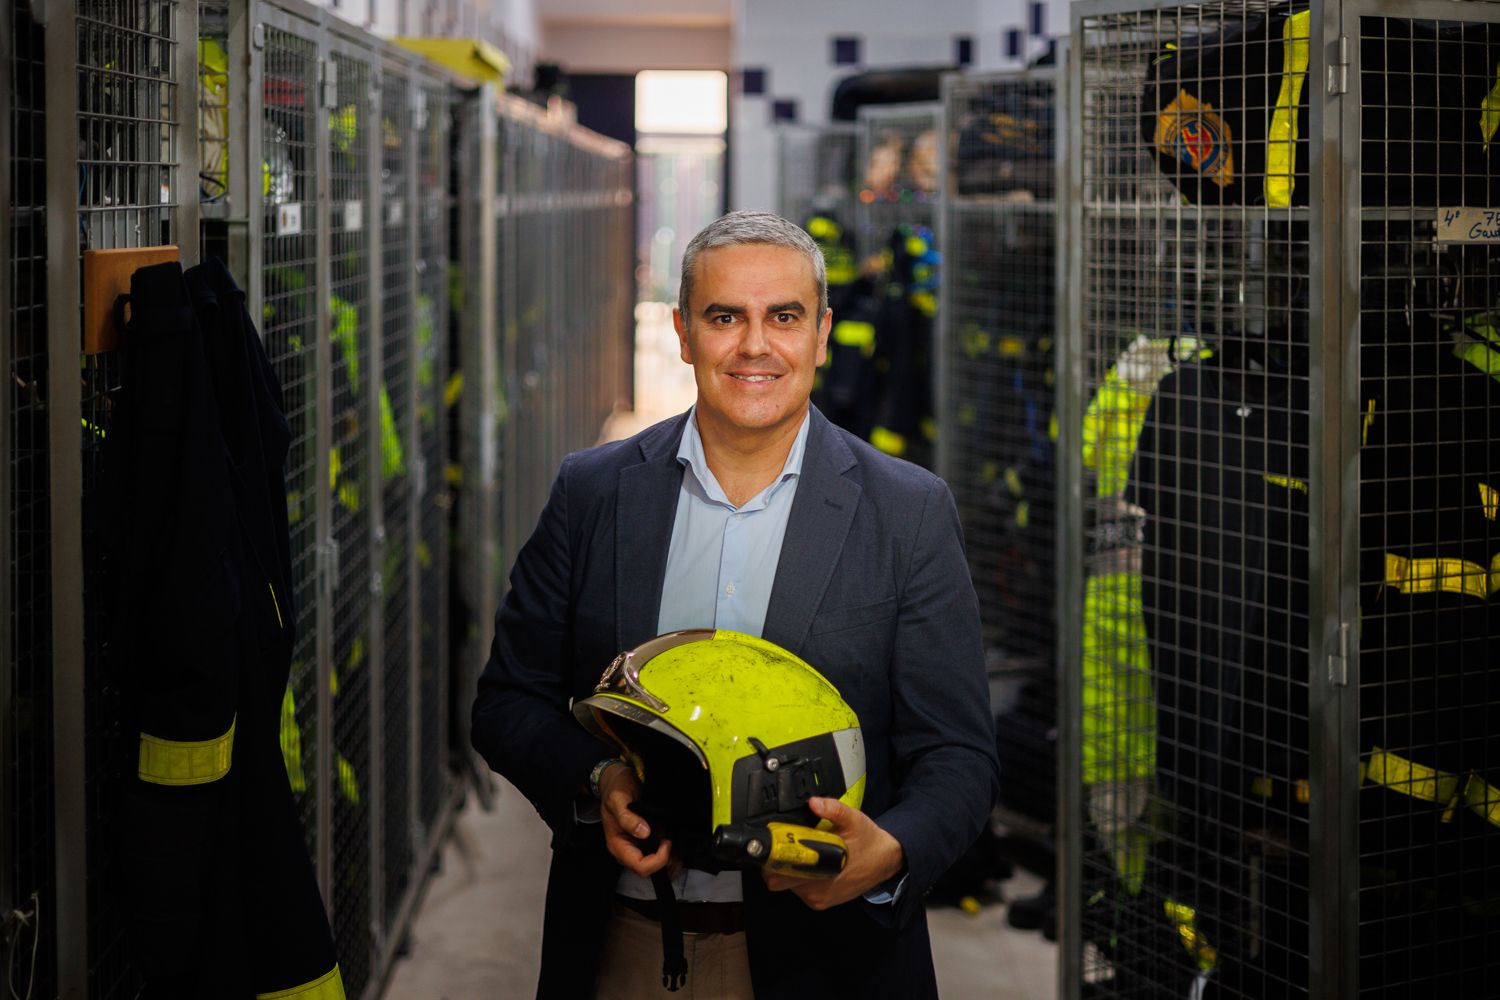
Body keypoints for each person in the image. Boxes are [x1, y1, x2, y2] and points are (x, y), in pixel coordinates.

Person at [471, 210, 999, 999]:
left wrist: (886, 851)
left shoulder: (907, 511)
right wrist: (600, 782)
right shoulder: (594, 493)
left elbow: (959, 756)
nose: (756, 345)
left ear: (821, 334)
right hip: (625, 939)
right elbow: (507, 703)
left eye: (783, 317)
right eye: (727, 317)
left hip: (832, 957)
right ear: (684, 333)